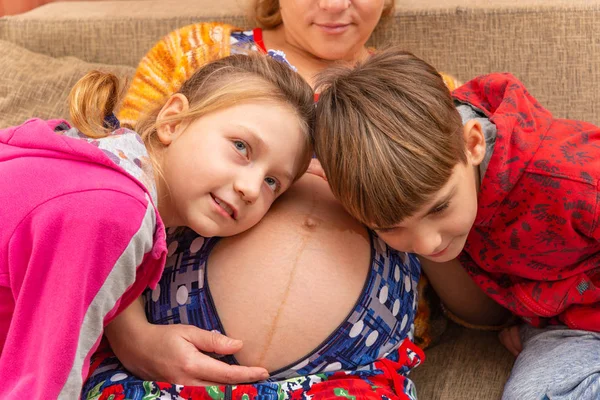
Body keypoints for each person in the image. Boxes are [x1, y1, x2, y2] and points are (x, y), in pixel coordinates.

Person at [81, 1, 463, 399]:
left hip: (350, 374)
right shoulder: (197, 50)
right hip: (163, 345)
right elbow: (117, 189)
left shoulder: (425, 93)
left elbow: (467, 279)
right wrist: (133, 338)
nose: (333, 4)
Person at [0, 52, 315, 399]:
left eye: (273, 182)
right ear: (173, 121)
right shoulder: (115, 211)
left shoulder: (108, 159)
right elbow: (41, 380)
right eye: (241, 147)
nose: (251, 188)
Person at [312, 47, 600, 400]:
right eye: (390, 227)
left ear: (474, 144)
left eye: (439, 208)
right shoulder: (436, 213)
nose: (427, 243)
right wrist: (533, 321)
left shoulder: (567, 178)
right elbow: (483, 314)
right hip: (567, 326)